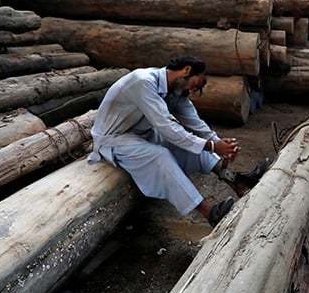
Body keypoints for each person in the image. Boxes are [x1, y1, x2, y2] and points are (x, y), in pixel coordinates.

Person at [88, 56, 263, 226]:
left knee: (197, 148)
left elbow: (195, 123)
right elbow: (166, 126)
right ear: (186, 70)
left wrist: (220, 144)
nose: (191, 92)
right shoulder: (143, 81)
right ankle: (210, 213)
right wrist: (212, 146)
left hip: (142, 134)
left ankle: (237, 182)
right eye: (194, 86)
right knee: (160, 156)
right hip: (113, 139)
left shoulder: (177, 91)